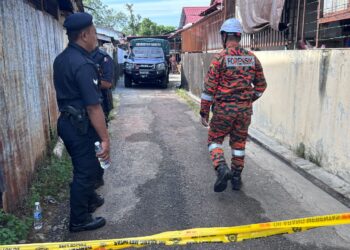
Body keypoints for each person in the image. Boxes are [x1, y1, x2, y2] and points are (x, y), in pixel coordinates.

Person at [53, 12, 110, 232]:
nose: (96, 37)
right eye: (95, 33)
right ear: (85, 35)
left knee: (87, 166)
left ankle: (89, 200)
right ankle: (79, 219)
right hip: (80, 125)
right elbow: (93, 106)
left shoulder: (63, 58)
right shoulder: (83, 64)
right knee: (85, 170)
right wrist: (105, 139)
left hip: (69, 122)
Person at [200, 18, 267, 192]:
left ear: (224, 36)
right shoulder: (252, 58)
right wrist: (248, 99)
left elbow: (209, 89)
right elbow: (261, 87)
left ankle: (221, 168)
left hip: (223, 110)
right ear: (239, 36)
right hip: (244, 112)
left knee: (214, 140)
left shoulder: (220, 58)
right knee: (239, 144)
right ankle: (236, 179)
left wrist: (204, 112)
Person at [90, 47, 114, 189]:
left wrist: (89, 82)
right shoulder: (80, 56)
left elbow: (107, 83)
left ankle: (98, 178)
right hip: (84, 108)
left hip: (100, 105)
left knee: (98, 142)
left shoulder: (103, 57)